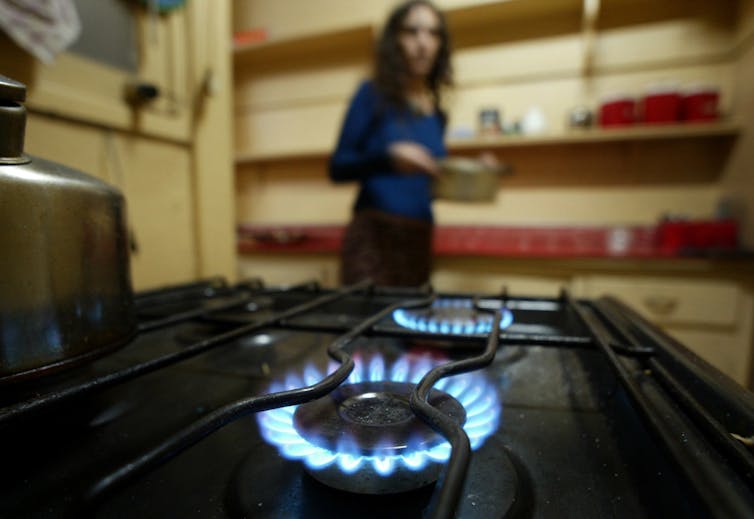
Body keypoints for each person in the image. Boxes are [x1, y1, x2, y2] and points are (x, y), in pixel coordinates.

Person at [329, 0, 451, 287]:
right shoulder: (372, 94)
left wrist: (471, 176)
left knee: (412, 329)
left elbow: (427, 189)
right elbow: (337, 167)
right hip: (374, 239)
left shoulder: (437, 112)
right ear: (394, 40)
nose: (423, 43)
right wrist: (388, 159)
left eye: (433, 33)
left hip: (419, 238)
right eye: (412, 31)